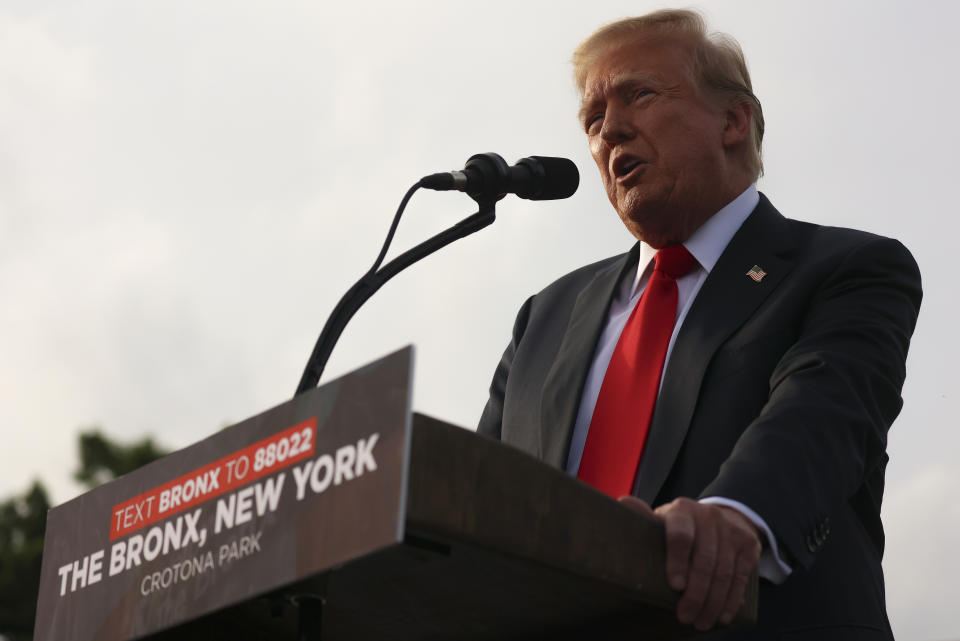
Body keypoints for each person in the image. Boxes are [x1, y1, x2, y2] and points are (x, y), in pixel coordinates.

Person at [476, 9, 921, 640]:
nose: (611, 130)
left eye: (640, 95)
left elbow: (822, 413)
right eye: (593, 119)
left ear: (734, 121)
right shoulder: (544, 317)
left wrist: (736, 515)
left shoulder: (846, 270)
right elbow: (479, 499)